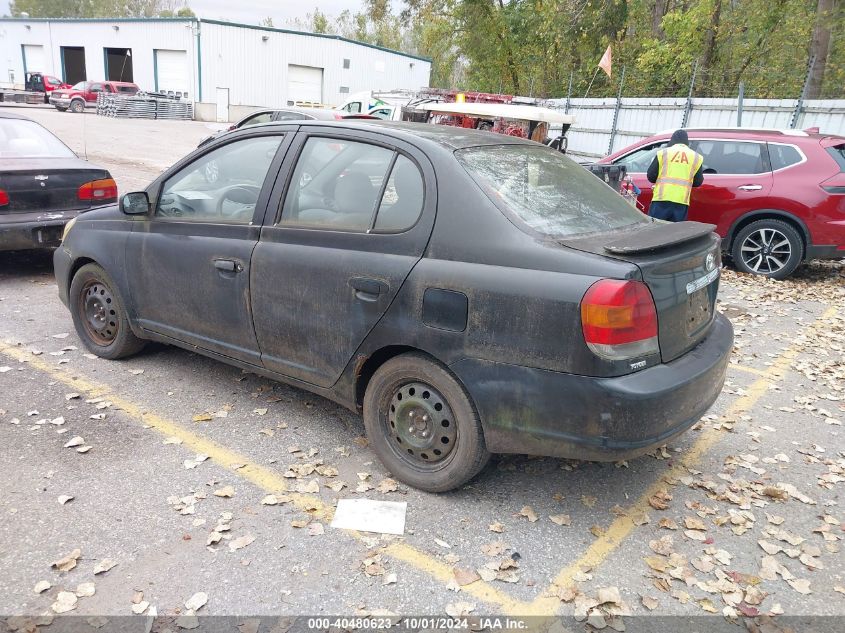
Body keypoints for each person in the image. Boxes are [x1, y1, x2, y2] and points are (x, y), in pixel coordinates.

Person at [646, 129, 704, 222]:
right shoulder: (696, 157)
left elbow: (651, 176)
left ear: (672, 140)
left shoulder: (663, 153)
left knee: (655, 230)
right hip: (681, 202)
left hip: (661, 199)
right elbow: (698, 182)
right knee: (675, 233)